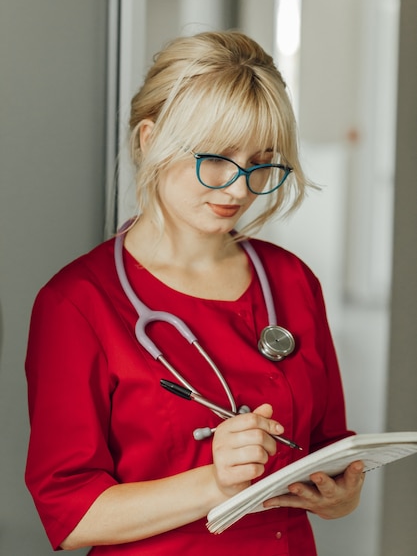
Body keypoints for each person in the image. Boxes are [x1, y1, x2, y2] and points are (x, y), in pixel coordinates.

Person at [25, 30, 364, 555]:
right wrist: (216, 482)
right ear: (148, 140)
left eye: (261, 162)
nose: (240, 188)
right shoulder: (79, 303)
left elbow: (326, 445)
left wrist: (338, 495)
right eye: (217, 159)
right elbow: (71, 516)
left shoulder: (292, 281)